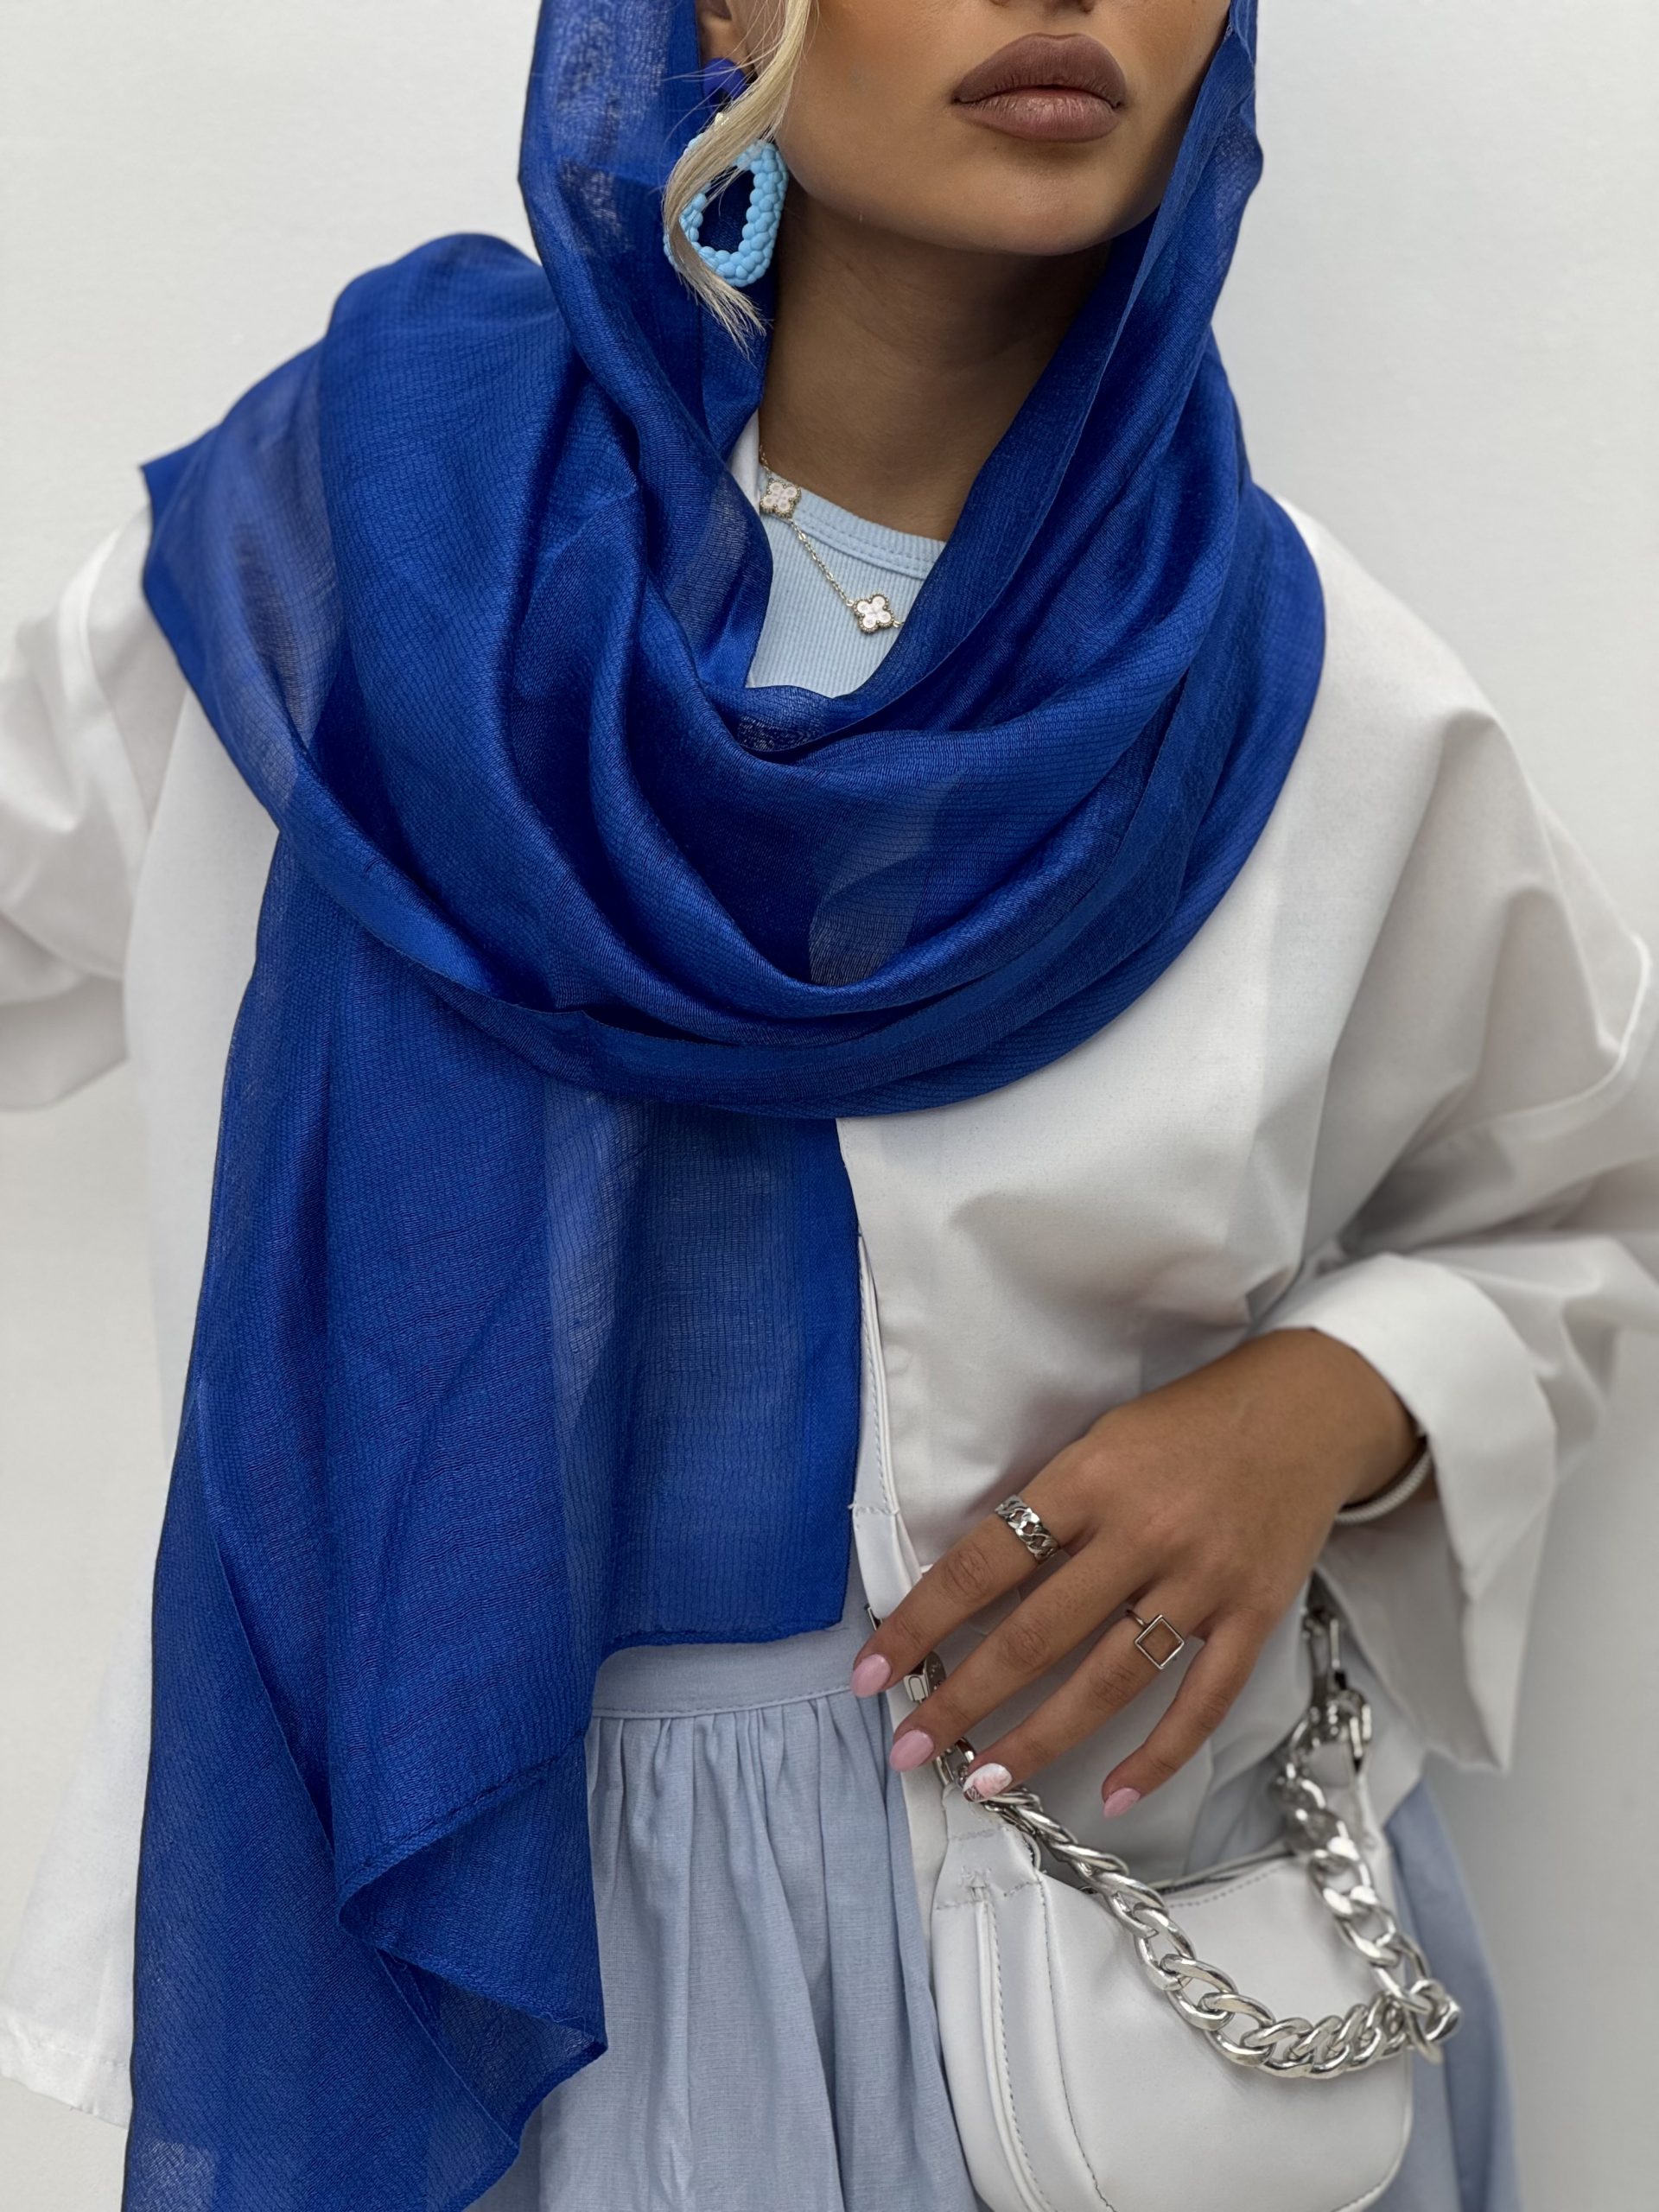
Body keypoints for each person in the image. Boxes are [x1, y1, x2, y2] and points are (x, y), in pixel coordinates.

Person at [2, 2, 1656, 2208]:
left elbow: (1578, 1195)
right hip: (441, 1972)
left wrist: (1327, 1405)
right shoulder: (365, 562)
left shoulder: (1299, 697)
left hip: (1070, 2014)